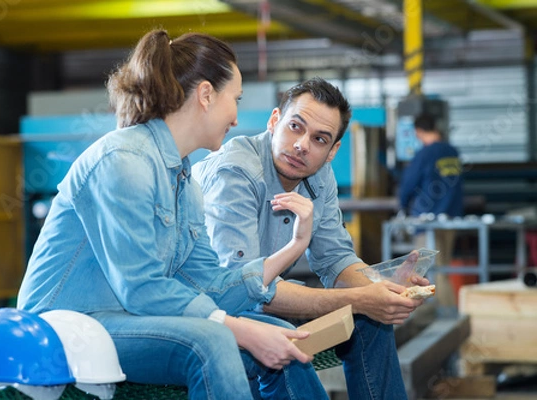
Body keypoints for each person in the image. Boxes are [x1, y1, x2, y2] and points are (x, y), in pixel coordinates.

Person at [17, 30, 329, 400]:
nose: (236, 116)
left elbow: (208, 285)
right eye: (236, 99)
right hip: (63, 327)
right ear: (206, 95)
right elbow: (142, 287)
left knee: (277, 333)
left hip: (123, 320)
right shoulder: (123, 161)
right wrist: (237, 330)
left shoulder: (184, 181)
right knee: (214, 339)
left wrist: (296, 245)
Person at [193, 77, 430, 399]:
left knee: (371, 323)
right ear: (274, 120)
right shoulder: (236, 173)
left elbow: (335, 258)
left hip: (258, 298)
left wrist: (381, 288)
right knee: (286, 337)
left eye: (319, 139)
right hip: (214, 304)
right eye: (295, 126)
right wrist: (360, 299)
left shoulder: (318, 174)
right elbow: (242, 290)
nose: (302, 144)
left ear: (333, 151)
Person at [399, 113, 464, 307]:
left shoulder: (424, 154)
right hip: (451, 219)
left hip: (427, 222)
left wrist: (403, 207)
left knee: (426, 273)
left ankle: (445, 316)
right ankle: (440, 314)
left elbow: (407, 185)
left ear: (418, 132)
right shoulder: (452, 152)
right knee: (442, 267)